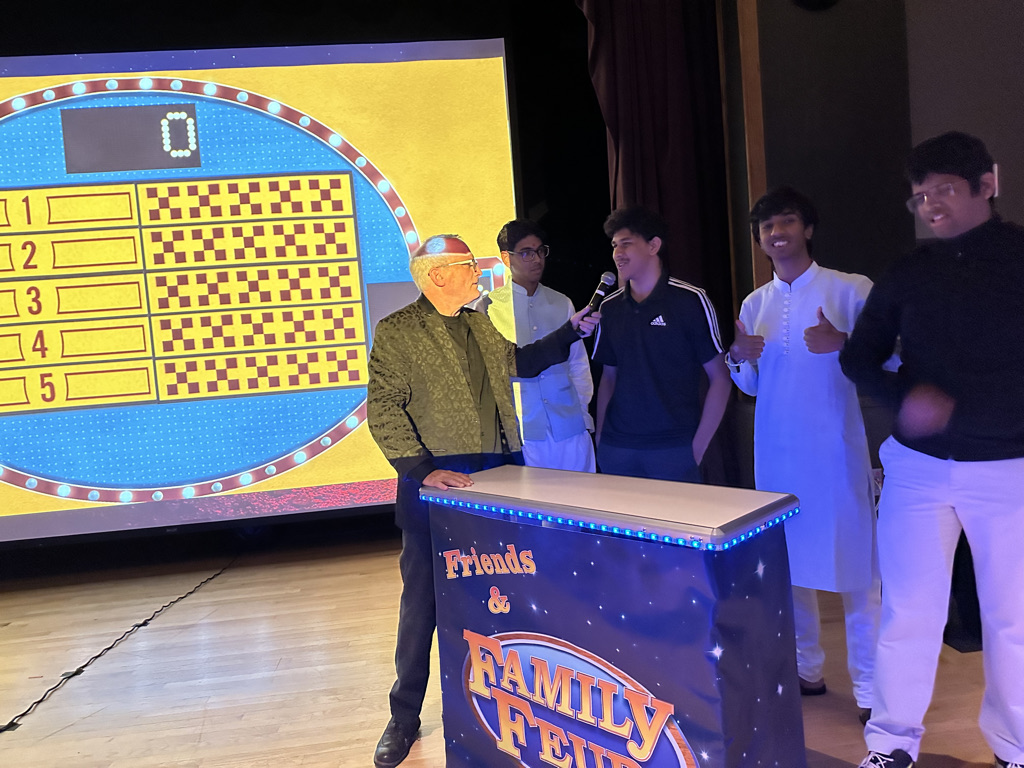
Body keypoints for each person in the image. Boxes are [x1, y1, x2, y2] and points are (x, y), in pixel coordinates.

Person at [366, 234, 599, 768]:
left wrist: (570, 330)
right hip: (435, 484)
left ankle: (507, 709)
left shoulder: (480, 324)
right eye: (469, 264)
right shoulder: (398, 330)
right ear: (437, 275)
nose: (479, 271)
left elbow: (520, 361)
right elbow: (384, 408)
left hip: (497, 478)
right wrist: (422, 471)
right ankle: (403, 716)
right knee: (422, 605)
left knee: (504, 595)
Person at [840, 131, 1024, 768]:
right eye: (920, 195)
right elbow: (858, 357)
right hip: (918, 471)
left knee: (1012, 619)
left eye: (944, 188)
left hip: (1009, 469)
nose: (931, 204)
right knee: (909, 612)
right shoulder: (909, 272)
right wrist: (904, 396)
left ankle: (1014, 746)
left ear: (987, 184)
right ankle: (892, 743)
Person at [728, 186, 880, 724]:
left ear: (808, 229)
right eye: (767, 227)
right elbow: (750, 385)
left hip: (836, 454)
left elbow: (888, 362)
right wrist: (739, 357)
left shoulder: (851, 289)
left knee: (858, 571)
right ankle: (807, 670)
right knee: (789, 569)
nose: (777, 233)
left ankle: (871, 690)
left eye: (787, 221)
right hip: (777, 455)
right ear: (760, 239)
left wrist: (845, 343)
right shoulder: (755, 303)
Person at [591, 205, 731, 482]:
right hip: (617, 448)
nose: (618, 253)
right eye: (615, 245)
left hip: (673, 448)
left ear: (653, 245)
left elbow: (720, 377)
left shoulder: (690, 300)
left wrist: (697, 448)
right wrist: (601, 440)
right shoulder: (609, 307)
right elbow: (609, 377)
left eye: (626, 244)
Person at [481, 218, 596, 472]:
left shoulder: (562, 302)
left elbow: (578, 365)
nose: (537, 259)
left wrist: (582, 412)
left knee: (582, 495)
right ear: (506, 258)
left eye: (540, 251)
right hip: (524, 433)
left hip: (570, 428)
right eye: (526, 253)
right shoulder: (489, 307)